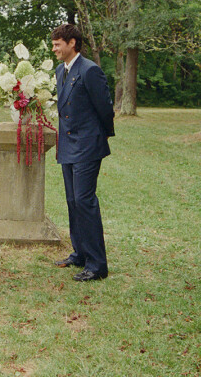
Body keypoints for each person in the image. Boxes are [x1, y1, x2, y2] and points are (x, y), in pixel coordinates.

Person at [50, 24, 115, 282]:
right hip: (67, 145)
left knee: (85, 201)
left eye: (58, 44)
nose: (54, 49)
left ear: (72, 43)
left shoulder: (90, 70)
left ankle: (97, 265)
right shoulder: (60, 70)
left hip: (87, 145)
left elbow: (105, 109)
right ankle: (79, 253)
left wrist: (99, 137)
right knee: (72, 201)